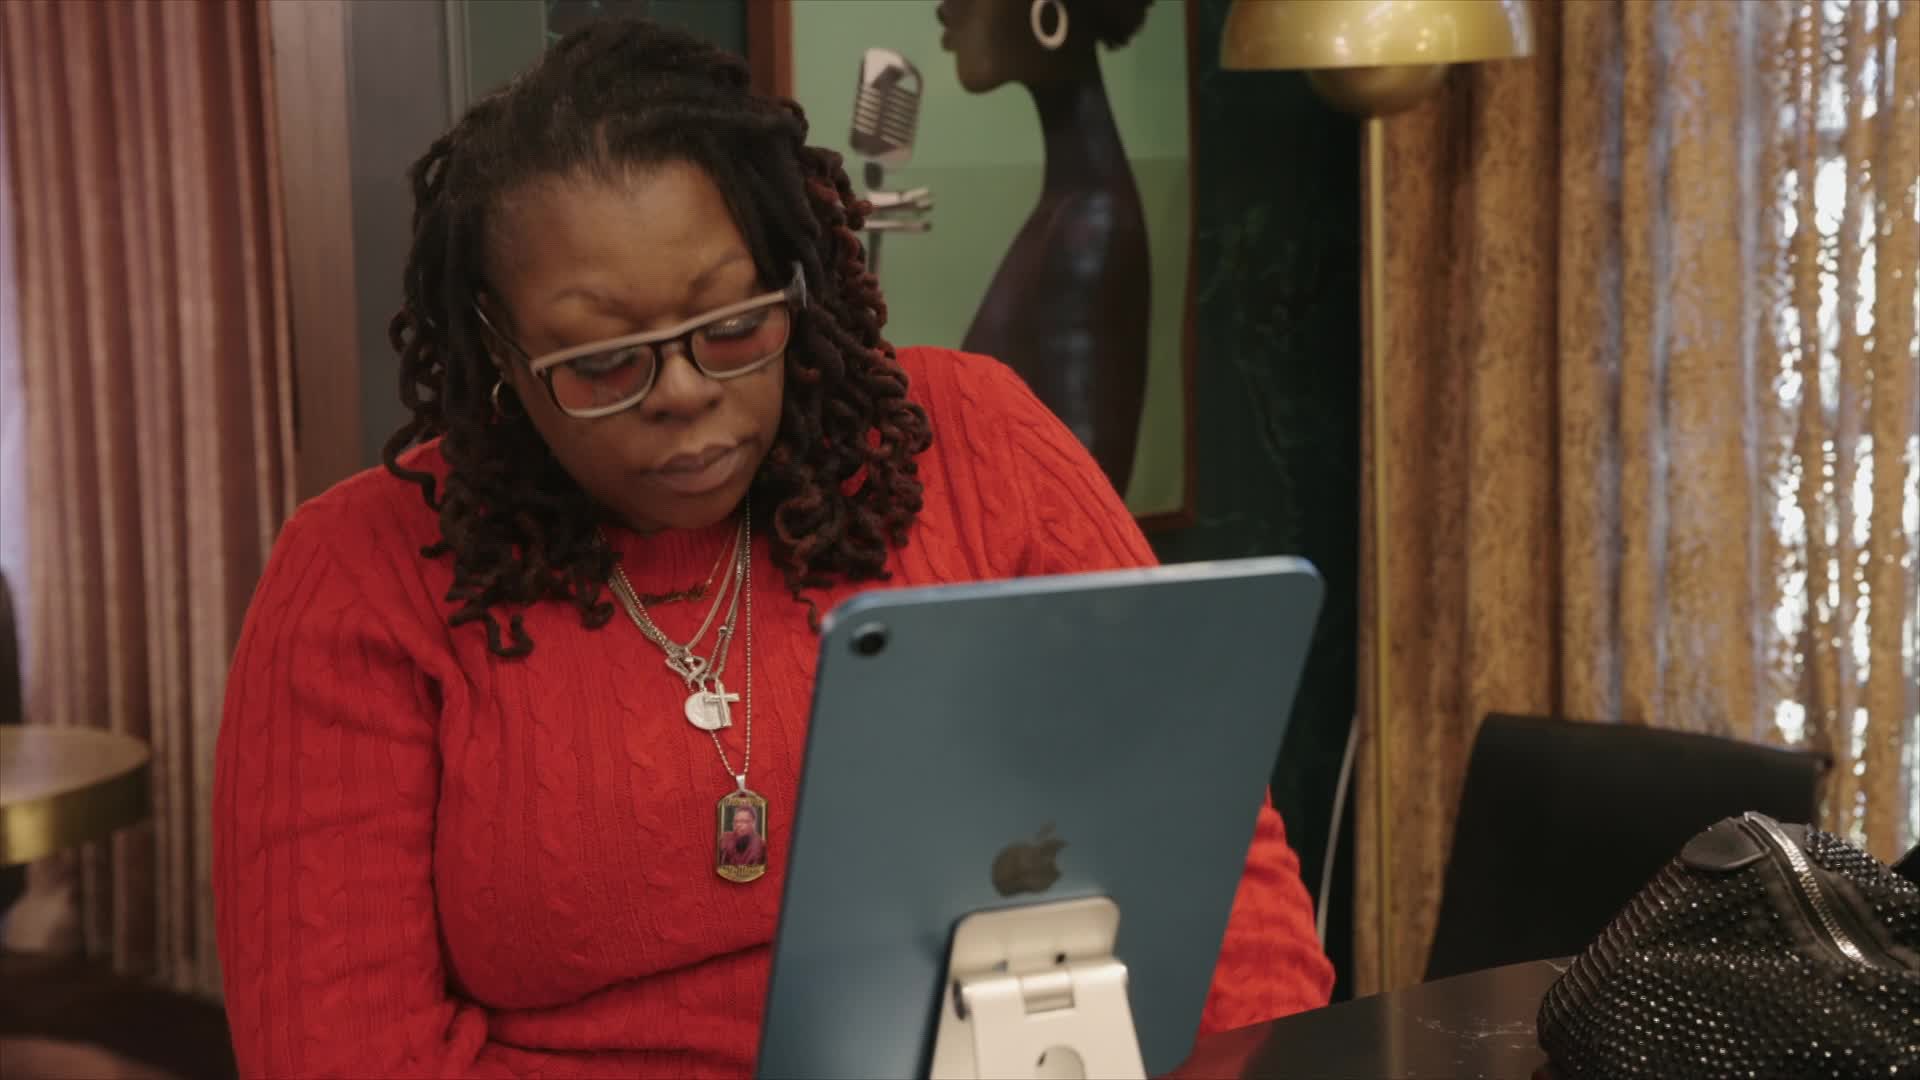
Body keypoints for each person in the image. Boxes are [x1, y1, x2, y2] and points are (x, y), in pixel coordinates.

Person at [212, 18, 1332, 1078]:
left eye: (735, 326)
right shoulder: (361, 577)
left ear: (797, 282)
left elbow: (1214, 866)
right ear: (499, 358)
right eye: (602, 364)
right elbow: (338, 1052)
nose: (685, 392)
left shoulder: (979, 447)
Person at [939, 0, 1154, 494]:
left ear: (1049, 10)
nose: (946, 9)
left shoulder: (1089, 230)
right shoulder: (1071, 213)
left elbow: (1085, 503)